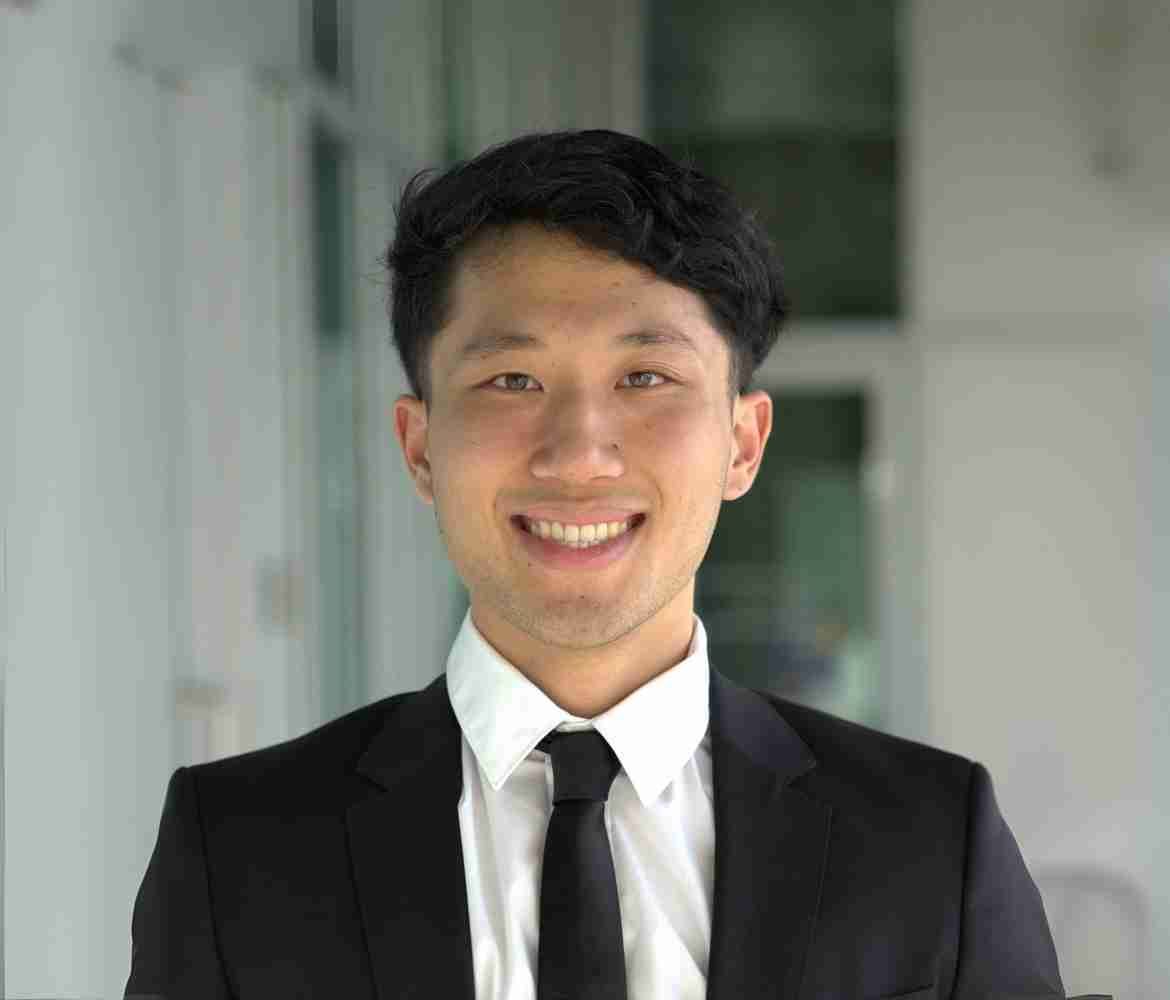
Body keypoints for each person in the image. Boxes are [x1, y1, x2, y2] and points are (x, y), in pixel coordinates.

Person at [124, 129, 1066, 1000]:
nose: (579, 452)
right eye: (512, 380)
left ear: (743, 444)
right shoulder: (238, 849)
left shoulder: (930, 841)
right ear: (419, 446)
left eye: (645, 378)